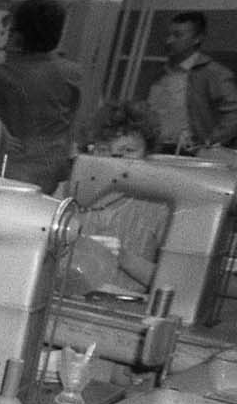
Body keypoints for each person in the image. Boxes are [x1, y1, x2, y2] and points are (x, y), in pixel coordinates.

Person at [0, 0, 83, 193]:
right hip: (55, 168)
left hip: (12, 167)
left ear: (20, 34)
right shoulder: (73, 72)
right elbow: (71, 120)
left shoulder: (5, 72)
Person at [64, 101, 169, 295]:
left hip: (127, 306)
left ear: (147, 154)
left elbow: (174, 285)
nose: (115, 159)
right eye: (104, 150)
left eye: (128, 151)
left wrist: (124, 258)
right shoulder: (68, 193)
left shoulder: (161, 206)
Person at [145, 11, 237, 152]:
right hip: (154, 147)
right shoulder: (161, 72)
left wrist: (211, 141)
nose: (169, 41)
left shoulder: (211, 72)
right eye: (168, 35)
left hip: (187, 151)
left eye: (178, 35)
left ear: (197, 39)